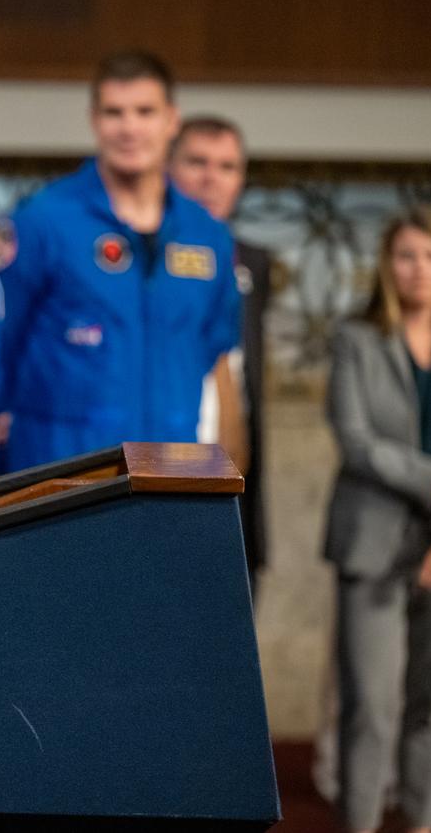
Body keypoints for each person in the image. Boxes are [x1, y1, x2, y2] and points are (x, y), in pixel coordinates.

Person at [0, 51, 241, 471]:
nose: (129, 128)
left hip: (169, 469)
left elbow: (213, 348)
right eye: (114, 113)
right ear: (94, 120)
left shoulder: (207, 235)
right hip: (59, 471)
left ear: (171, 120)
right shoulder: (42, 220)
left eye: (145, 111)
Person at [325, 205, 431, 833]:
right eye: (405, 256)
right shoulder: (356, 339)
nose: (418, 269)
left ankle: (420, 825)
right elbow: (357, 441)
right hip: (370, 540)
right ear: (388, 267)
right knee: (369, 708)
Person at [169, 114, 272, 597]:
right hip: (154, 477)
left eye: (227, 166)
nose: (212, 178)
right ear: (168, 167)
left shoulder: (252, 261)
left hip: (231, 490)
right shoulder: (133, 253)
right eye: (198, 163)